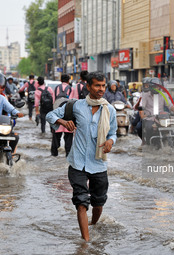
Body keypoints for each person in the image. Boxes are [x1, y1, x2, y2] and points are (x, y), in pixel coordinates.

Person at [46, 71, 117, 241]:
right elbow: (51, 115)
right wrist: (62, 121)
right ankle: (86, 243)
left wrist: (110, 142)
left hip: (98, 163)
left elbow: (113, 133)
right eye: (97, 85)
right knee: (81, 202)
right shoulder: (76, 106)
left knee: (99, 203)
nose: (101, 89)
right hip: (77, 163)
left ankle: (93, 224)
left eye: (103, 86)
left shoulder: (110, 110)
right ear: (88, 87)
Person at [137, 77, 174, 145]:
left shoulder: (164, 95)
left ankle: (172, 145)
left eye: (157, 87)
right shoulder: (145, 96)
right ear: (150, 87)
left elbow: (169, 105)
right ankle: (147, 144)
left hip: (161, 118)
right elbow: (141, 106)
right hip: (149, 118)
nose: (156, 88)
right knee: (149, 128)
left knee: (170, 130)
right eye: (154, 86)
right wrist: (142, 114)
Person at [51, 74, 78, 157]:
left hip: (57, 115)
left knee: (55, 137)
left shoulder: (56, 88)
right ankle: (68, 155)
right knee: (68, 138)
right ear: (69, 80)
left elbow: (54, 102)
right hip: (68, 116)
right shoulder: (71, 89)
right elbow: (74, 102)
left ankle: (54, 155)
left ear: (60, 80)